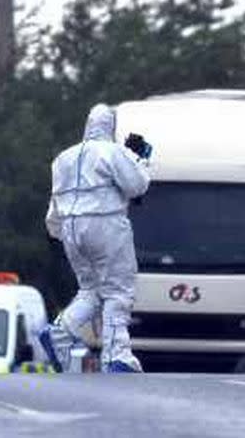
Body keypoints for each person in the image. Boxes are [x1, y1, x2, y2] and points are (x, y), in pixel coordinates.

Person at [40, 104, 150, 373]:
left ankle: (60, 332)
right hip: (105, 224)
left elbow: (54, 208)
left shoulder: (62, 159)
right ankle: (117, 354)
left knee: (91, 290)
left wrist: (59, 232)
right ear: (111, 126)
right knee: (119, 290)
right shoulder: (112, 152)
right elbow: (137, 186)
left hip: (70, 229)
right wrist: (140, 159)